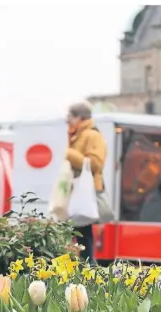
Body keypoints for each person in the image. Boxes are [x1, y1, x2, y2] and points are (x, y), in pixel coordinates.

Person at [65, 102, 107, 265]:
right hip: (76, 191)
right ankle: (84, 268)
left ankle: (88, 269)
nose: (67, 119)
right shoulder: (77, 134)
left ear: (79, 117)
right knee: (79, 231)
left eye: (70, 116)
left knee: (83, 232)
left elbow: (96, 164)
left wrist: (68, 153)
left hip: (84, 192)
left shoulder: (92, 135)